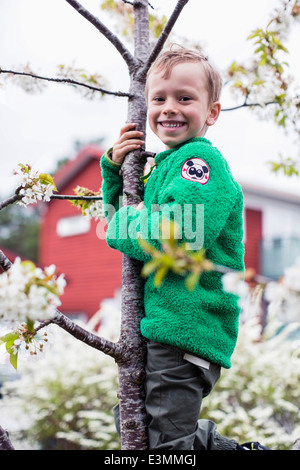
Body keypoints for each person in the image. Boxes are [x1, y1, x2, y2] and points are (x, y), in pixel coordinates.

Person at [100, 46, 267, 450]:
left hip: (187, 329)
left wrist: (124, 222)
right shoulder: (165, 166)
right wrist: (115, 169)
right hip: (164, 327)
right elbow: (121, 220)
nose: (169, 108)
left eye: (184, 98)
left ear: (211, 112)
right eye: (159, 98)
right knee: (136, 423)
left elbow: (179, 235)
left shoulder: (199, 164)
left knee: (166, 446)